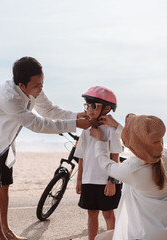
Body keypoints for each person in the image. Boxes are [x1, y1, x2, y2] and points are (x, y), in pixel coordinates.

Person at [0, 56, 92, 240]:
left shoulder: (33, 88)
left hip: (5, 143)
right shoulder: (8, 97)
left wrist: (76, 115)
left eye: (42, 83)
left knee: (5, 187)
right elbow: (36, 124)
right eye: (37, 85)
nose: (41, 88)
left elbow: (48, 110)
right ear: (22, 85)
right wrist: (75, 124)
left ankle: (6, 231)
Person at [92, 114, 167, 240]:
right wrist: (117, 126)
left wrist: (99, 140)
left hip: (149, 236)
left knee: (100, 238)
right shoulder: (165, 157)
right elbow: (144, 143)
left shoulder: (132, 170)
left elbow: (105, 165)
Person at [74, 86, 123, 240]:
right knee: (91, 213)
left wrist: (112, 181)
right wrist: (79, 178)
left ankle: (112, 238)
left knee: (108, 213)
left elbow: (115, 157)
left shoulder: (111, 130)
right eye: (87, 105)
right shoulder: (85, 129)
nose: (89, 109)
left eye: (94, 106)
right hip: (89, 179)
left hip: (105, 180)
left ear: (107, 108)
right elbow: (82, 156)